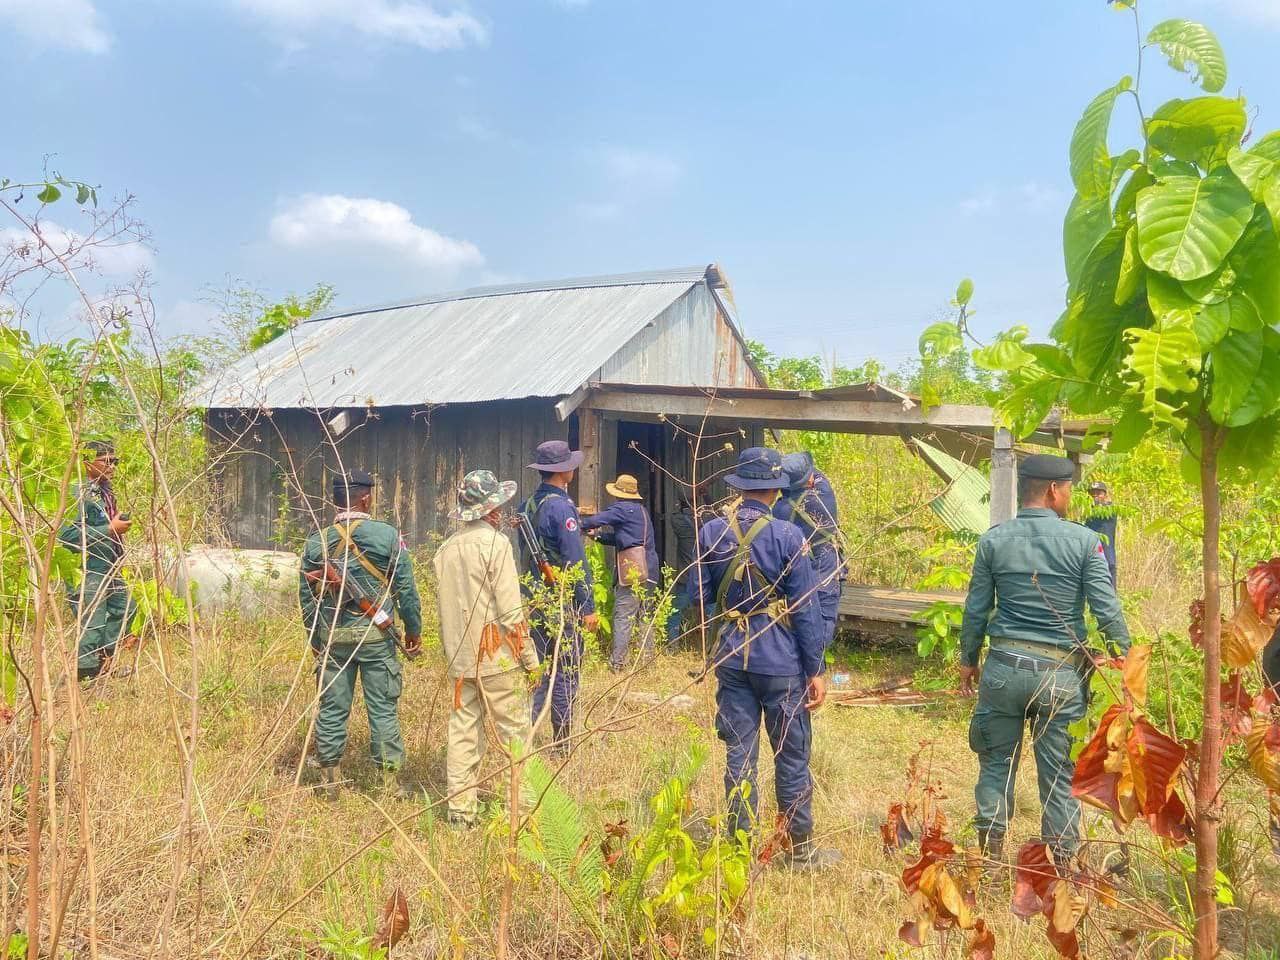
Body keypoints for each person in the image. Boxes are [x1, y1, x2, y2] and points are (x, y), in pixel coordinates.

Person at [960, 454, 1131, 864]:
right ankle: (1061, 868)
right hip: (1059, 676)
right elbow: (1106, 609)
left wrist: (968, 660)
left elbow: (976, 608)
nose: (1070, 495)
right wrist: (1124, 658)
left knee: (996, 763)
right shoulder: (1085, 542)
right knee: (1058, 774)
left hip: (1002, 669)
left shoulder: (993, 540)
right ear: (1054, 490)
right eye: (1069, 488)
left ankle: (990, 854)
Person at [693, 446, 839, 870]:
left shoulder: (711, 532)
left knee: (740, 754)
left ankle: (739, 847)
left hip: (732, 660)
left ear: (739, 489)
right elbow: (808, 612)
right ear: (776, 491)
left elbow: (700, 600)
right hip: (781, 665)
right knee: (791, 756)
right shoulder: (790, 536)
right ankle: (799, 850)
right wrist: (816, 671)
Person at [299, 469, 422, 799]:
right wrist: (413, 630)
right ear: (365, 498)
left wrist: (316, 639)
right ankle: (388, 786)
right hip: (376, 640)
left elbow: (306, 598)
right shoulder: (385, 536)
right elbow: (406, 590)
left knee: (331, 709)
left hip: (333, 639)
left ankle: (328, 783)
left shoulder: (316, 541)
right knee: (382, 709)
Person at [434, 470, 539, 828]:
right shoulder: (496, 545)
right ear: (491, 509)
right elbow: (511, 611)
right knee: (516, 735)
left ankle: (461, 813)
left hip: (460, 659)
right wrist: (530, 657)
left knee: (463, 731)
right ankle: (520, 814)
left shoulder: (445, 550)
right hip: (498, 658)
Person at [519, 440, 599, 752]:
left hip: (535, 599)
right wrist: (588, 605)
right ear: (563, 471)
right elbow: (575, 559)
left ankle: (524, 739)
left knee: (539, 671)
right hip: (562, 601)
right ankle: (562, 744)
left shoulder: (528, 505)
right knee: (566, 671)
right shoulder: (562, 507)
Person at [58, 439, 138, 682]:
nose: (112, 466)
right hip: (86, 567)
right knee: (91, 620)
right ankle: (86, 675)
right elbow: (67, 536)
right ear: (86, 462)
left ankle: (104, 662)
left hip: (109, 565)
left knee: (126, 608)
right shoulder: (77, 492)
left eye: (115, 461)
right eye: (106, 461)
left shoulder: (105, 490)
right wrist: (110, 529)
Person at [582, 473, 660, 672]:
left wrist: (578, 523)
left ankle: (618, 664)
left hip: (634, 571)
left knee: (623, 617)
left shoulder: (622, 509)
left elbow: (596, 520)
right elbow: (623, 539)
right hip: (649, 568)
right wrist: (598, 537)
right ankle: (647, 662)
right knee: (645, 616)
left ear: (619, 494)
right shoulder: (640, 511)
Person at [774, 452, 845, 650]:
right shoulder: (824, 495)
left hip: (796, 574)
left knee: (798, 623)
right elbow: (818, 474)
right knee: (824, 623)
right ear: (809, 480)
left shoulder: (779, 510)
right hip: (826, 573)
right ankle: (815, 669)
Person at [664, 488, 700, 644]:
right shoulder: (705, 519)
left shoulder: (678, 520)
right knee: (712, 613)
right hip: (705, 575)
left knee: (675, 612)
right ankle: (713, 645)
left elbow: (672, 515)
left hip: (686, 575)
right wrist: (704, 494)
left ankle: (672, 645)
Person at [1083, 480, 1118, 586]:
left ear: (1105, 495)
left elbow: (1101, 507)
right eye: (1092, 494)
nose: (1095, 496)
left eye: (1098, 493)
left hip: (1107, 558)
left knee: (1110, 593)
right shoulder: (1085, 511)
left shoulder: (1110, 509)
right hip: (1090, 557)